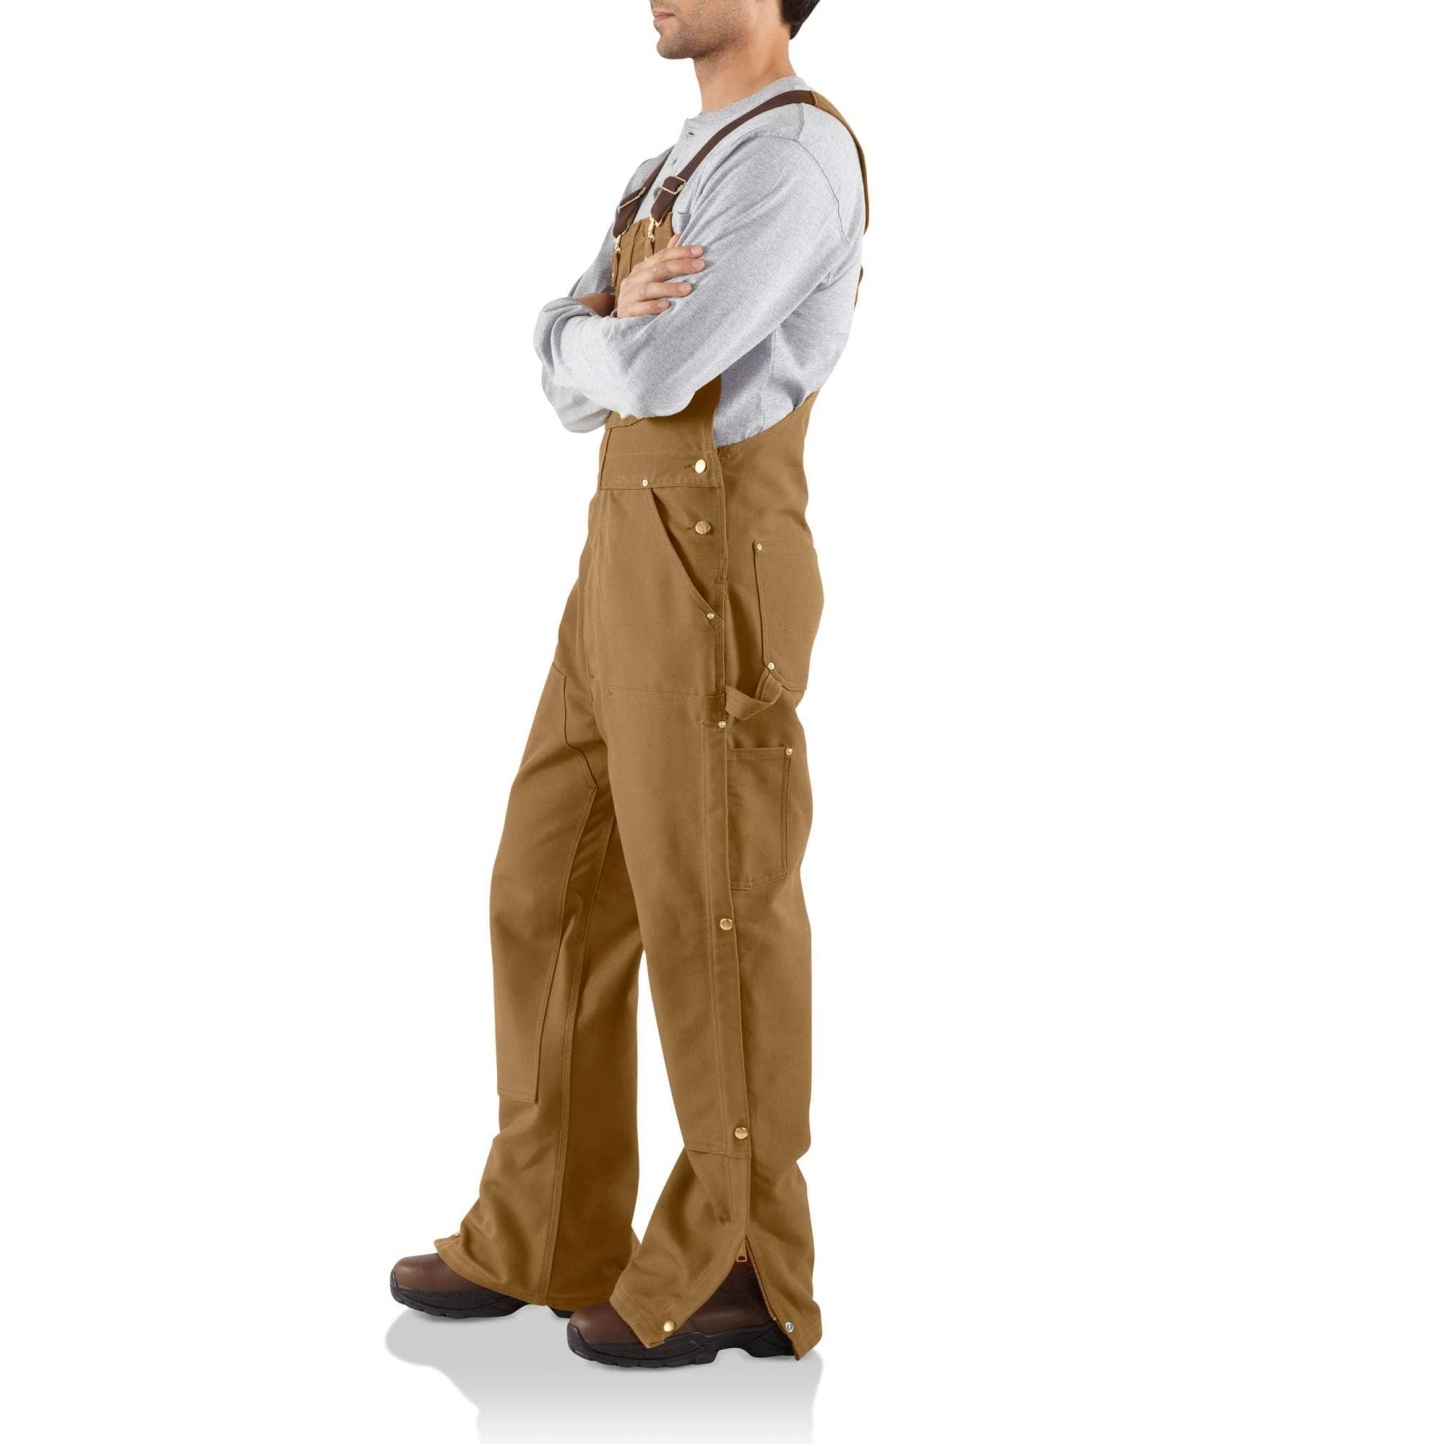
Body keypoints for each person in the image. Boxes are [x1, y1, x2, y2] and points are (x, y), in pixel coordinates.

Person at [390, 0, 868, 1369]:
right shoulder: (672, 163)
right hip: (622, 549)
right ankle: (546, 1228)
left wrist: (595, 328)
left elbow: (649, 369)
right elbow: (559, 367)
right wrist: (586, 327)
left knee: (711, 901)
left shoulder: (791, 159)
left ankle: (741, 1264)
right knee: (546, 885)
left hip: (712, 548)